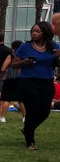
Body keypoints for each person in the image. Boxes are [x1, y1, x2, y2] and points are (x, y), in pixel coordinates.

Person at [12, 21, 60, 150]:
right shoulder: (25, 47)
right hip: (28, 81)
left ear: (45, 33)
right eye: (33, 31)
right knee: (33, 109)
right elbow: (13, 64)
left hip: (47, 82)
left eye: (37, 31)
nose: (34, 33)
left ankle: (27, 129)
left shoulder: (53, 47)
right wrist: (24, 62)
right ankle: (30, 141)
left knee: (45, 111)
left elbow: (57, 64)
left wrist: (58, 56)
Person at [0, 40, 24, 124]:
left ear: (13, 47)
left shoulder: (11, 56)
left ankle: (3, 117)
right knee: (21, 100)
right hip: (21, 79)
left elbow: (3, 68)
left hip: (10, 79)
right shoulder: (24, 56)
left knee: (6, 99)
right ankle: (25, 117)